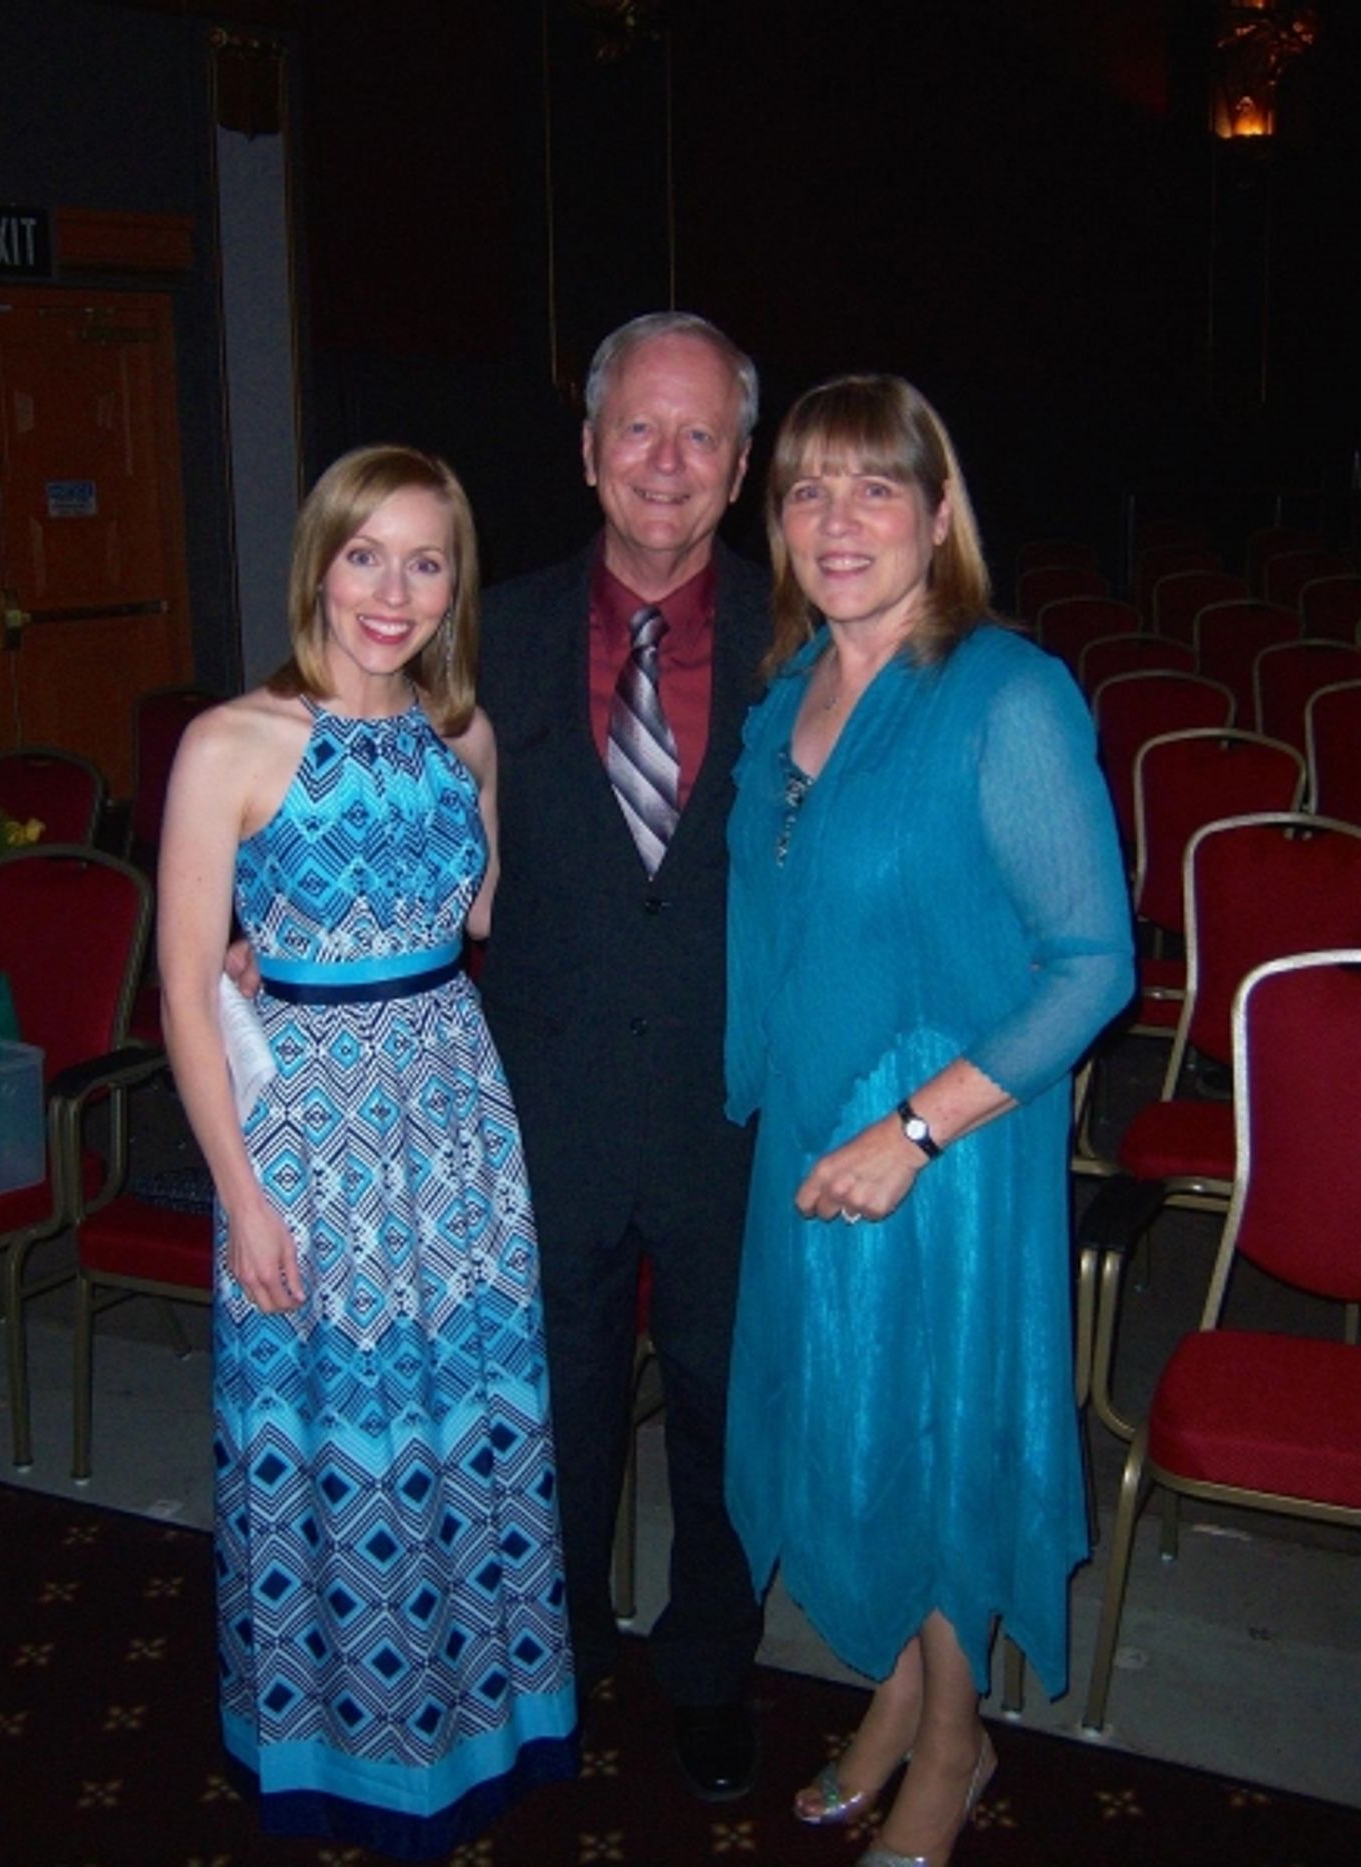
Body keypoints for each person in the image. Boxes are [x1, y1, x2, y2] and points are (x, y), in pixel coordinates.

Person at [723, 376, 1134, 1866]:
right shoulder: (785, 698)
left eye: (874, 488)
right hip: (807, 1132)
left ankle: (957, 1741)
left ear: (940, 514)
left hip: (942, 1149)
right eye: (807, 493)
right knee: (839, 1432)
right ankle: (894, 1694)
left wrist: (912, 1134)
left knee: (939, 1434)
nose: (838, 523)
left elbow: (1094, 964)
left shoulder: (1004, 694)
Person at [160, 445, 576, 1860]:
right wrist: (241, 1195)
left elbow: (474, 920)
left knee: (461, 1421)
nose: (392, 592)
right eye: (364, 555)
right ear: (317, 564)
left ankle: (480, 1718)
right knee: (334, 1434)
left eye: (427, 560)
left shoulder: (467, 742)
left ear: (457, 582)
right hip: (305, 1146)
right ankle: (335, 1740)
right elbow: (179, 994)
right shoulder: (231, 742)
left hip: (454, 1120)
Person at [476, 312, 769, 1799]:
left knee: (725, 1406)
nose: (666, 462)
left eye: (699, 434)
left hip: (738, 1109)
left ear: (738, 468)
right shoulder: (486, 627)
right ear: (588, 453)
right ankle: (561, 1653)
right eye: (637, 430)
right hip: (545, 1103)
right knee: (559, 1404)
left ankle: (712, 1671)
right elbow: (361, 776)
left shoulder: (808, 641)